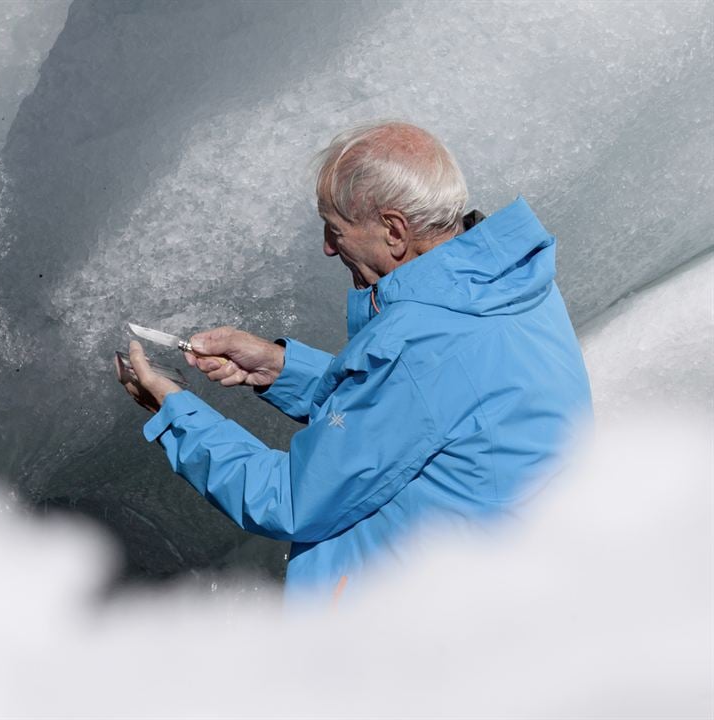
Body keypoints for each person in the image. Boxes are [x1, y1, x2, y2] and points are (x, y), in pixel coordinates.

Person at [120, 120, 592, 604]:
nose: (328, 247)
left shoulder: (419, 349)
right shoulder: (504, 285)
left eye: (336, 229)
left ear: (393, 230)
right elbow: (422, 410)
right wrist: (281, 368)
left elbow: (290, 501)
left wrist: (175, 414)